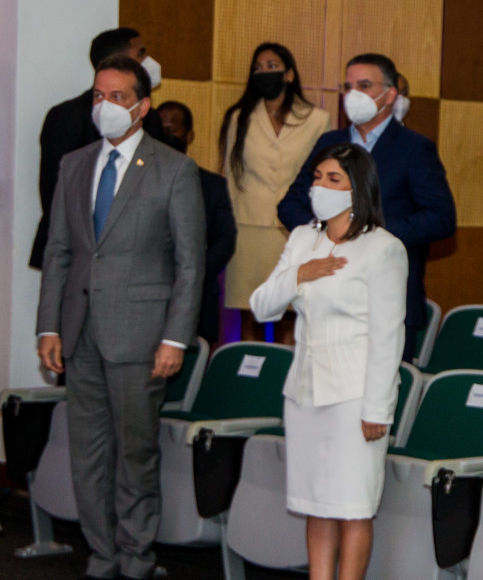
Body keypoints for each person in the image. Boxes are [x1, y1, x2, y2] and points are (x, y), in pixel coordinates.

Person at [37, 55, 204, 580]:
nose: (103, 105)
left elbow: (190, 264)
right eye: (97, 95)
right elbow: (60, 251)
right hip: (80, 332)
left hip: (141, 334)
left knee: (134, 454)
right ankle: (101, 561)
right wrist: (48, 326)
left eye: (116, 97)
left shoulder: (173, 170)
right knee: (88, 455)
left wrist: (175, 339)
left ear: (142, 105)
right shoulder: (74, 164)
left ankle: (136, 564)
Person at [250, 143, 406, 580]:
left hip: (355, 396)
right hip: (305, 392)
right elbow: (261, 304)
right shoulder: (303, 239)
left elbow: (388, 336)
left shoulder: (383, 249)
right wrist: (300, 274)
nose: (319, 186)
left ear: (357, 188)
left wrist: (377, 408)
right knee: (316, 506)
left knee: (352, 508)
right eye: (316, 176)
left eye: (333, 178)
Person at [279, 53, 456, 362]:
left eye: (364, 85)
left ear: (390, 95)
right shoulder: (329, 143)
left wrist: (368, 232)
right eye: (348, 87)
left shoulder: (414, 148)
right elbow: (290, 204)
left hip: (387, 300)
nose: (353, 94)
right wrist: (324, 232)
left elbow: (441, 218)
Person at [220, 43, 331, 343]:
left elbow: (324, 178)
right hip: (248, 230)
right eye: (258, 68)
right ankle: (250, 370)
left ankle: (284, 371)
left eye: (272, 66)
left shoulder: (317, 120)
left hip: (295, 230)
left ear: (289, 74)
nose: (264, 72)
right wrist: (228, 226)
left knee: (290, 314)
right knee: (250, 312)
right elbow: (231, 178)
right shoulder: (239, 117)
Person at [30, 27, 166, 269]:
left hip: (134, 256)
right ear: (118, 62)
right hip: (75, 254)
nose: (148, 61)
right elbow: (54, 192)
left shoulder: (149, 118)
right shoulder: (67, 116)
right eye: (141, 53)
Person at [156, 100, 237, 346]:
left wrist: (192, 272)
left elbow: (226, 240)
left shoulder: (213, 185)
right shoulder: (137, 182)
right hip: (148, 297)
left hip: (199, 297)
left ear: (189, 135)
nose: (166, 137)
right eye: (160, 131)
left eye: (172, 130)